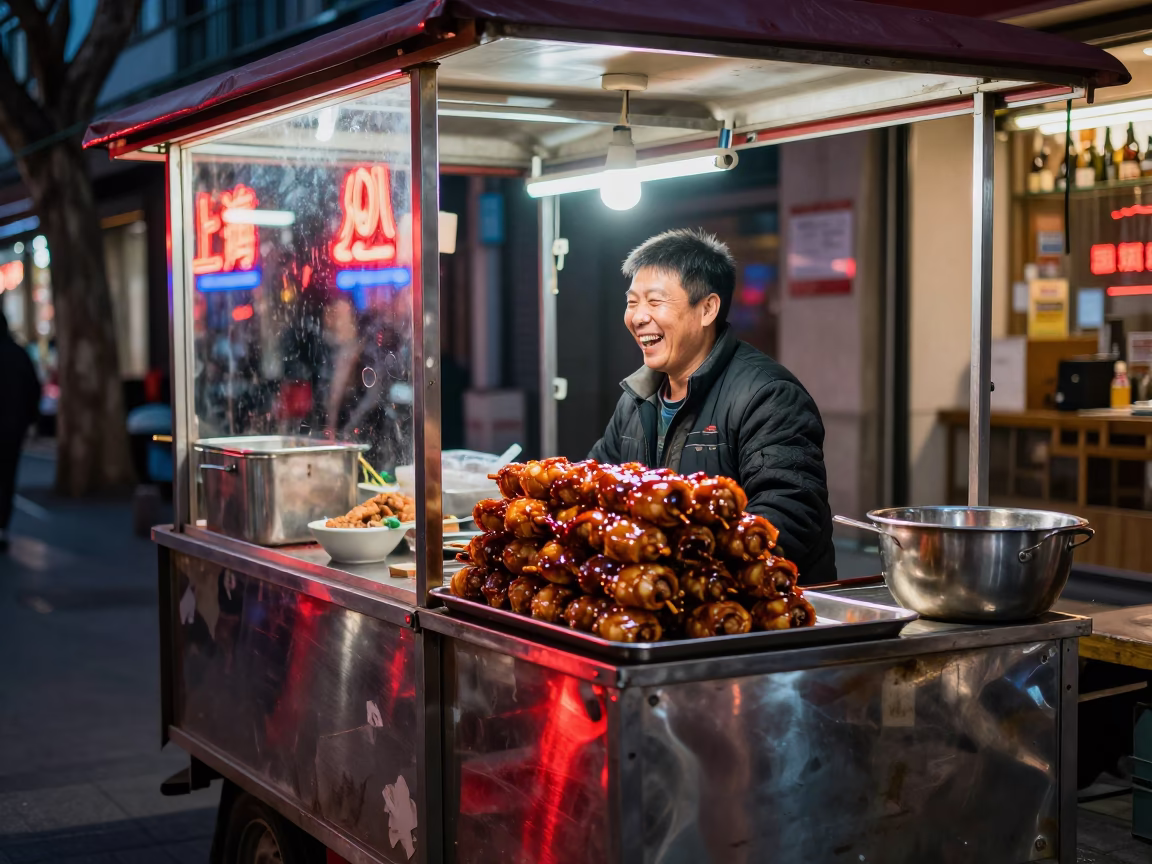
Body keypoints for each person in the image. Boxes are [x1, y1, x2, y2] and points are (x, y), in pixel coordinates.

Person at [589, 228, 836, 583]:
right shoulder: (635, 399)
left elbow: (790, 517)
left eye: (655, 301)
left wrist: (682, 561)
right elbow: (596, 491)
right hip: (658, 604)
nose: (638, 317)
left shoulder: (768, 395)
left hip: (757, 616)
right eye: (632, 302)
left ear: (707, 309)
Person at [0, 308, 41, 552]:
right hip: (12, 429)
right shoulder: (18, 354)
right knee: (6, 478)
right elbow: (33, 389)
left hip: (12, 425)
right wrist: (29, 420)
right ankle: (2, 527)